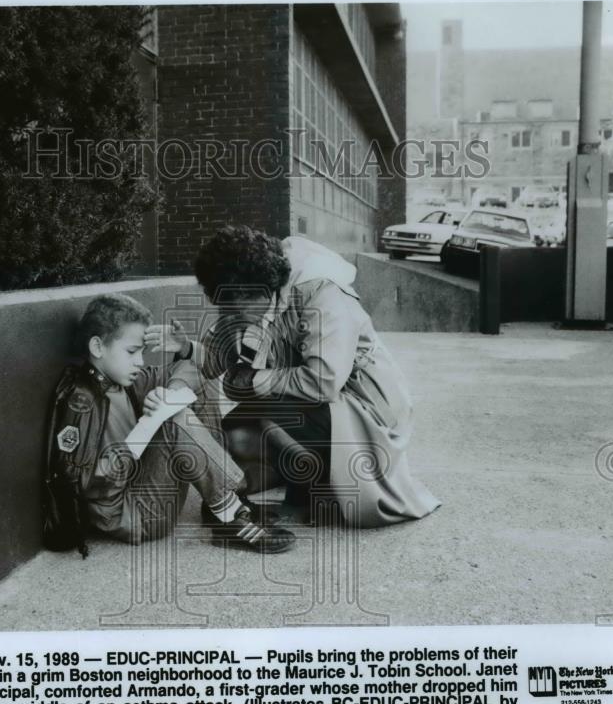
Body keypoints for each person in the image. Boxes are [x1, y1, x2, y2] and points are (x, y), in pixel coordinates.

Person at [152, 225, 441, 528]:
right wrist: (186, 348)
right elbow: (219, 360)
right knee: (235, 433)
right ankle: (306, 472)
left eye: (235, 309)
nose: (231, 318)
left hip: (364, 407)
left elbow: (324, 381)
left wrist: (254, 380)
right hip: (314, 402)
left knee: (266, 413)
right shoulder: (250, 298)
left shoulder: (321, 290)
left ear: (257, 291)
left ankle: (323, 485)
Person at [41, 293, 295, 557]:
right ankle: (230, 515)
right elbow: (87, 484)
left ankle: (222, 502)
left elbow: (195, 369)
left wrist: (172, 388)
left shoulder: (122, 380)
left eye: (142, 351)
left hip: (146, 486)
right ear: (97, 347)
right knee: (173, 417)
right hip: (134, 516)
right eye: (131, 351)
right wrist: (149, 426)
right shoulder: (83, 402)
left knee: (188, 393)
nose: (140, 361)